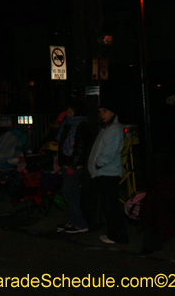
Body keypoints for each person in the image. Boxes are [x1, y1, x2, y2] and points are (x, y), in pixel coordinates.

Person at [87, 100, 129, 245]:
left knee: (111, 206)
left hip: (108, 173)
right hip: (104, 172)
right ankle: (114, 233)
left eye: (105, 111)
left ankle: (118, 235)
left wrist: (98, 164)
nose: (102, 115)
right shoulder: (108, 128)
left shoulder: (114, 129)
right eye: (101, 112)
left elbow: (109, 153)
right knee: (109, 206)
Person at [54, 101, 91, 234]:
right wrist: (60, 120)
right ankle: (73, 221)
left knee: (70, 193)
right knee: (70, 193)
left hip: (72, 164)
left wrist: (73, 164)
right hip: (66, 162)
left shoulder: (80, 125)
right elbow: (57, 137)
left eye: (70, 113)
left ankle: (80, 222)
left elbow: (80, 146)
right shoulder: (67, 124)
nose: (68, 115)